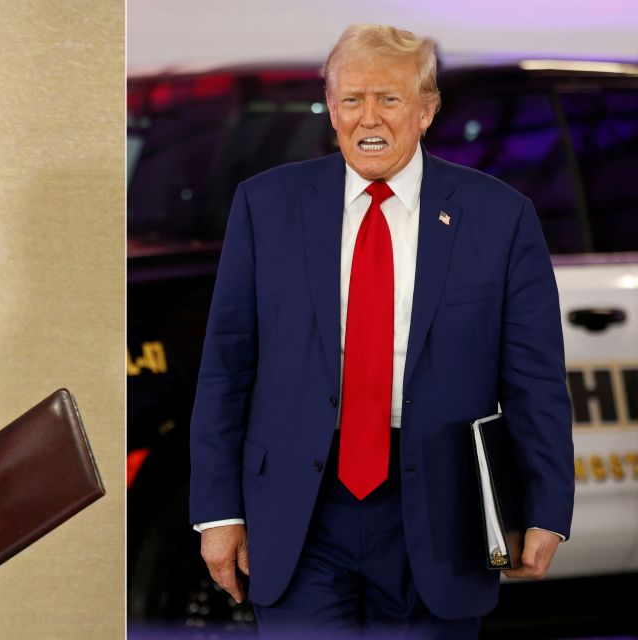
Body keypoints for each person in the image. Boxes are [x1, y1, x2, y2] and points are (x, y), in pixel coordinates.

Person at [189, 24, 574, 638]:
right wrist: (216, 512)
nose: (368, 116)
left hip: (440, 513)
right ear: (333, 108)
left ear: (426, 110)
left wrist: (548, 507)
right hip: (298, 509)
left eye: (389, 99)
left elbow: (535, 378)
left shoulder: (500, 217)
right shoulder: (265, 207)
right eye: (351, 99)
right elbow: (226, 365)